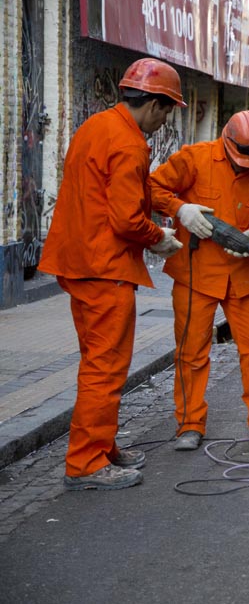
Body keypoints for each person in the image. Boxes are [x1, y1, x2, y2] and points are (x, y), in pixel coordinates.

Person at [38, 57, 185, 491]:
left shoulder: (95, 127)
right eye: (168, 110)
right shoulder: (130, 143)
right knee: (106, 368)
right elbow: (125, 220)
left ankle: (100, 446)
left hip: (78, 261)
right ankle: (86, 462)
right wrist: (159, 236)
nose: (165, 121)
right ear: (155, 104)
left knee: (95, 362)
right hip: (106, 267)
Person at [149, 111, 249, 451]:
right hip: (196, 273)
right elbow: (152, 187)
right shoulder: (194, 158)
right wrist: (181, 209)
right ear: (228, 143)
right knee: (191, 353)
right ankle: (189, 425)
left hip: (245, 278)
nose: (248, 167)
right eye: (243, 160)